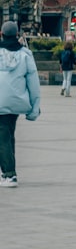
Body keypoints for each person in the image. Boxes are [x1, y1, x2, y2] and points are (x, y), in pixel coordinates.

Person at [0, 22, 41, 188]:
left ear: (1, 34)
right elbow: (33, 83)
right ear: (17, 35)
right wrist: (34, 108)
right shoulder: (25, 54)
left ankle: (9, 174)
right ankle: (7, 171)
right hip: (16, 101)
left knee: (3, 138)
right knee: (8, 135)